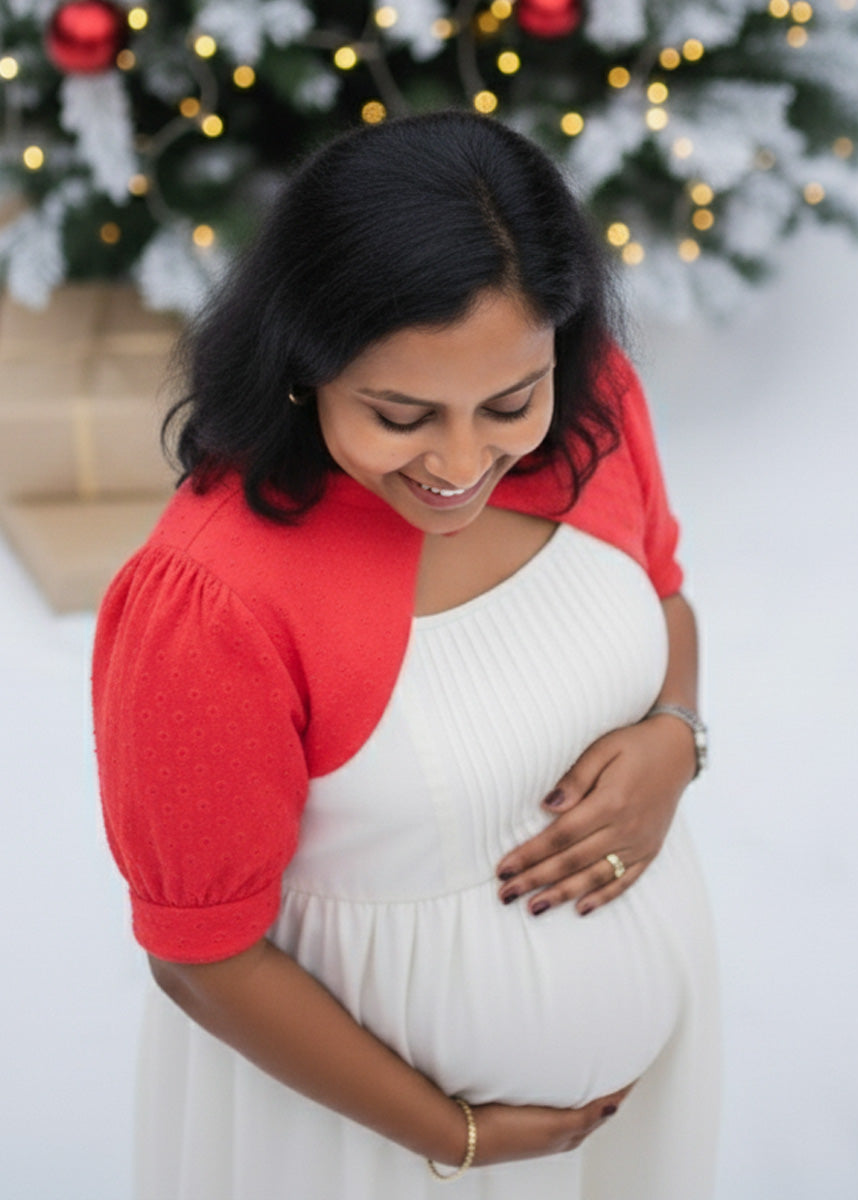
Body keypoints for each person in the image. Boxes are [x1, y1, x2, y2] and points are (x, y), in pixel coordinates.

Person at [92, 110, 718, 1200]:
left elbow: (664, 599)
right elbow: (203, 954)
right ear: (305, 364)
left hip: (627, 1120)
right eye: (402, 413)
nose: (463, 459)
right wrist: (456, 1134)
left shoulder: (591, 404)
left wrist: (676, 733)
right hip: (358, 1147)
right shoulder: (212, 599)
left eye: (507, 403)